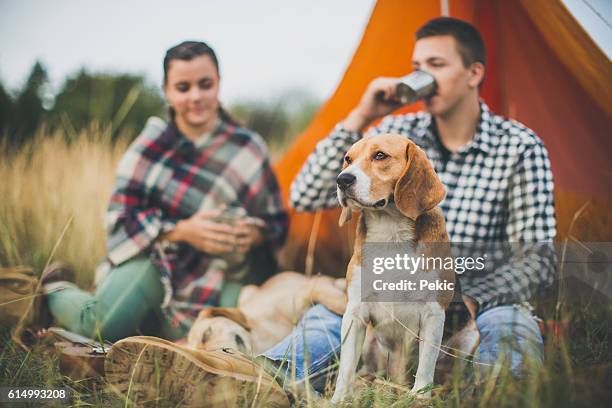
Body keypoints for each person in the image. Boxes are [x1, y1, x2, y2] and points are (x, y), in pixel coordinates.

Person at [100, 17, 557, 404]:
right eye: (417, 67)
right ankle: (255, 380)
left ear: (475, 72)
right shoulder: (391, 130)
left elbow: (537, 259)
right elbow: (304, 193)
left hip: (472, 303)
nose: (423, 77)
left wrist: (469, 292)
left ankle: (501, 394)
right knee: (331, 313)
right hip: (387, 296)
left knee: (510, 322)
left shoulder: (519, 147)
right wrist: (361, 114)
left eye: (436, 65)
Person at [40, 41, 289, 342]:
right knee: (99, 328)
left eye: (205, 84)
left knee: (215, 338)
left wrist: (255, 234)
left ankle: (146, 322)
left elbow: (275, 221)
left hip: (220, 271)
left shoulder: (248, 148)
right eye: (183, 88)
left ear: (218, 84)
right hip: (155, 260)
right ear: (167, 91)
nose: (195, 96)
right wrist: (182, 231)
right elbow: (121, 217)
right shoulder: (150, 146)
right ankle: (53, 290)